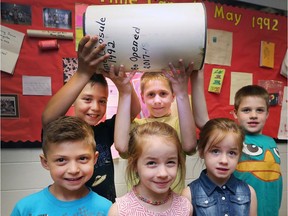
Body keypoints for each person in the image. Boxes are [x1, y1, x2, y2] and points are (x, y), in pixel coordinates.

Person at [42, 35, 141, 202]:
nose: (95, 107)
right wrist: (82, 73)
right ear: (73, 99)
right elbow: (48, 118)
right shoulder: (61, 131)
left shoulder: (104, 131)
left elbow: (133, 111)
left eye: (102, 101)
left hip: (103, 209)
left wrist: (123, 83)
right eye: (87, 99)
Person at [11, 116, 112, 215]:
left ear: (95, 159)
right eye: (61, 160)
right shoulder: (25, 209)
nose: (73, 170)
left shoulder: (107, 209)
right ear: (45, 162)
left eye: (82, 158)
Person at [114, 59, 197, 156]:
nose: (157, 101)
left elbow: (190, 147)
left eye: (163, 94)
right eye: (151, 94)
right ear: (143, 98)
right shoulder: (137, 126)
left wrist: (182, 93)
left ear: (173, 96)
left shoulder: (180, 124)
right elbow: (122, 148)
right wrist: (125, 90)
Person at [109, 121, 192, 216]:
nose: (163, 173)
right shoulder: (119, 211)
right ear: (134, 164)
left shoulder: (185, 207)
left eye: (170, 162)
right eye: (151, 163)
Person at [181, 118, 257, 216]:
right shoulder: (189, 194)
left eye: (232, 153)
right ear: (201, 151)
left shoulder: (249, 192)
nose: (224, 161)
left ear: (239, 156)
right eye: (215, 151)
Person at [233, 85, 282, 216]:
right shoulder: (234, 138)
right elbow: (204, 122)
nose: (253, 115)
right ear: (235, 113)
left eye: (260, 110)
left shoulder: (271, 141)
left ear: (267, 114)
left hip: (271, 211)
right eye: (246, 110)